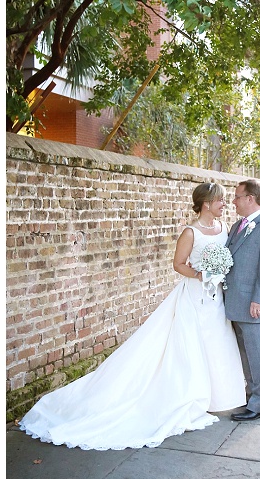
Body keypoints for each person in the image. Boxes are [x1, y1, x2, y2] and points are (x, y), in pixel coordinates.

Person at [19, 182, 246, 450]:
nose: (224, 204)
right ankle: (190, 396)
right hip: (194, 298)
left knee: (218, 342)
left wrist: (219, 272)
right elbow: (178, 264)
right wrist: (200, 274)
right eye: (220, 200)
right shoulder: (190, 232)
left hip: (217, 299)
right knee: (191, 347)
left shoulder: (225, 228)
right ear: (206, 203)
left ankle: (219, 397)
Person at [225, 179, 260, 421]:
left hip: (254, 306)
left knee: (259, 356)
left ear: (250, 198)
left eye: (237, 196)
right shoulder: (238, 226)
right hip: (235, 303)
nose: (233, 201)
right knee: (246, 356)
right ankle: (251, 399)